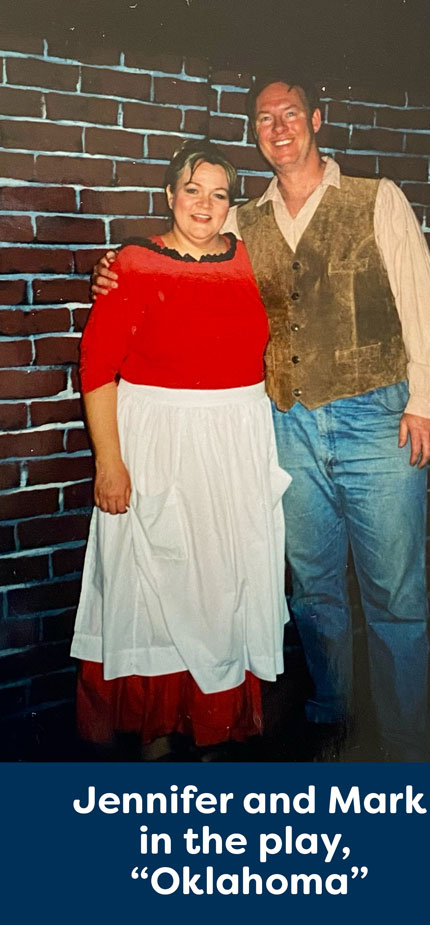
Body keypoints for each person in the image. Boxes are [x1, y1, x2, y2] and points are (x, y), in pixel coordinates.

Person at [92, 74, 430, 761]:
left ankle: (409, 744)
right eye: (265, 118)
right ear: (255, 135)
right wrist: (117, 268)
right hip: (284, 424)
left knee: (394, 593)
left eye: (290, 112)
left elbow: (421, 296)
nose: (279, 126)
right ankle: (334, 716)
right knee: (316, 586)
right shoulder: (242, 219)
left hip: (377, 418)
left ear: (318, 118)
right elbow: (186, 246)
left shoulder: (376, 199)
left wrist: (425, 401)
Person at [72, 139, 290, 762]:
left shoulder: (252, 260)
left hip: (235, 444)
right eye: (192, 189)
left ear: (232, 205)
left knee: (224, 583)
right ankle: (157, 731)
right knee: (155, 588)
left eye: (219, 193)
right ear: (169, 195)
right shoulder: (135, 263)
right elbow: (96, 366)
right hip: (159, 442)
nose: (205, 203)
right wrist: (110, 463)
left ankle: (211, 725)